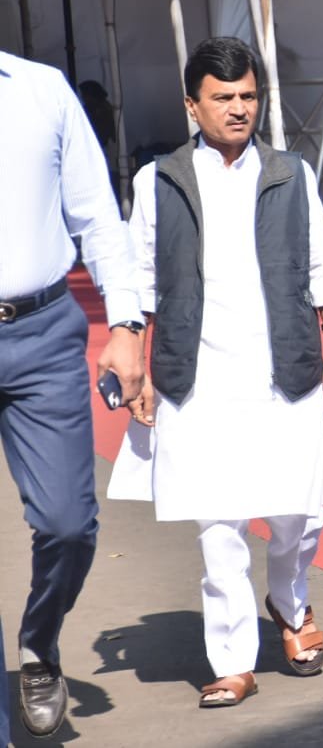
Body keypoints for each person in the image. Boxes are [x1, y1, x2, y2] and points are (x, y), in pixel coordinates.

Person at [110, 36, 323, 707]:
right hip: (197, 377)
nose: (239, 108)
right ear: (193, 104)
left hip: (288, 370)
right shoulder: (157, 180)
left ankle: (289, 599)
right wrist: (143, 368)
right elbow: (140, 281)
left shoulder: (291, 173)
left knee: (299, 514)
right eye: (223, 98)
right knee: (218, 526)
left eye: (248, 95)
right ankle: (232, 658)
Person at [0, 52, 145, 739]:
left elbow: (96, 214)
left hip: (43, 330)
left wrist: (125, 324)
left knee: (67, 523)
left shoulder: (41, 89)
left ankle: (38, 643)